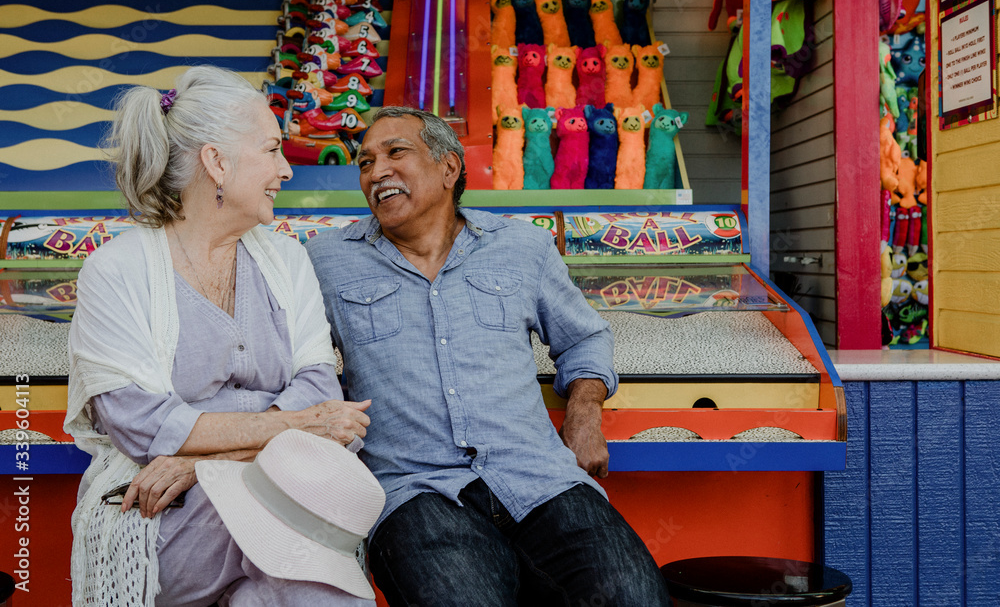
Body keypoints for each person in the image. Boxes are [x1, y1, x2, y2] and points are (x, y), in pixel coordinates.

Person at [306, 106, 671, 606]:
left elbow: (584, 338)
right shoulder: (326, 260)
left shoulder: (522, 245)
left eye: (396, 153)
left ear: (449, 167)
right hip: (416, 490)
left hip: (538, 477)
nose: (377, 172)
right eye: (366, 163)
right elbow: (290, 363)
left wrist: (584, 412)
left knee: (633, 596)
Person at [65, 66, 374, 607]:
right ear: (217, 162)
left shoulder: (285, 259)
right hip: (162, 512)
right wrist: (298, 426)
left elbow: (320, 386)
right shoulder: (116, 270)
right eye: (273, 149)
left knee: (290, 578)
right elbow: (141, 426)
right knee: (307, 575)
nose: (286, 170)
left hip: (260, 488)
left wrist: (209, 464)